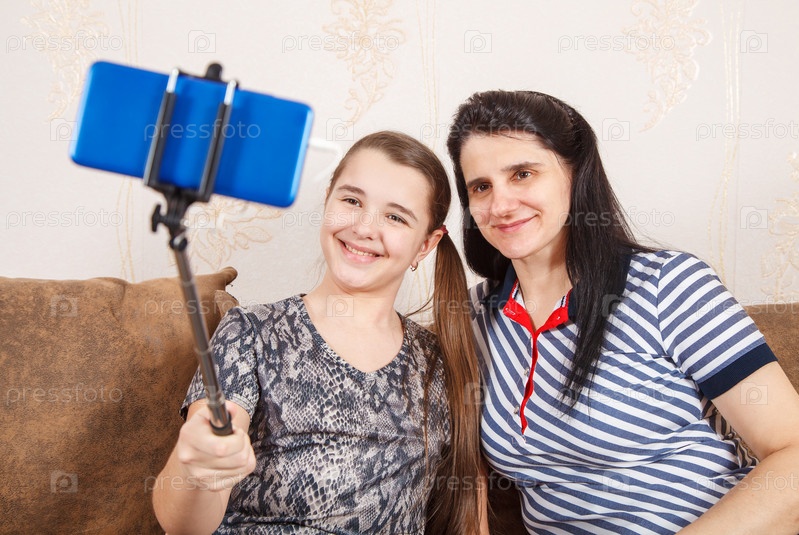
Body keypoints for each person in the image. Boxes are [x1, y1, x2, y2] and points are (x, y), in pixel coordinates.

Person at [446, 90, 799, 534]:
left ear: (576, 174)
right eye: (481, 186)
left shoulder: (669, 285)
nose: (500, 205)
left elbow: (792, 454)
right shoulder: (473, 319)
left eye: (522, 174)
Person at [152, 131, 488, 534]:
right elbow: (183, 525)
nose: (364, 227)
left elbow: (471, 514)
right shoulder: (251, 333)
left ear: (426, 245)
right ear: (328, 200)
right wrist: (198, 469)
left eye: (395, 217)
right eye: (352, 201)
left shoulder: (440, 363)